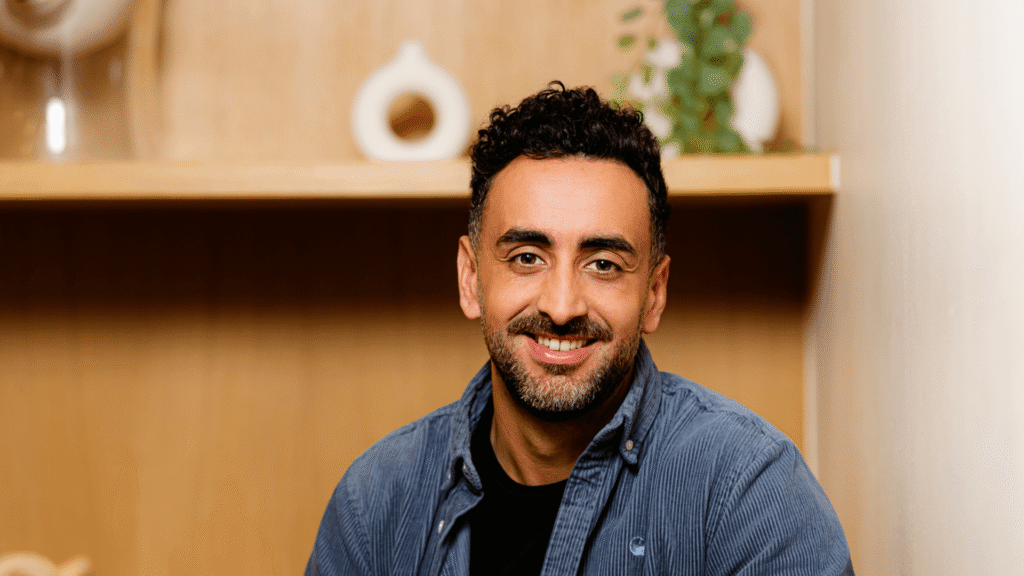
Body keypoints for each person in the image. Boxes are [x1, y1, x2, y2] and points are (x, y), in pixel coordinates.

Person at [304, 83, 854, 575]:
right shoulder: (375, 503)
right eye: (526, 257)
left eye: (603, 264)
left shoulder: (748, 492)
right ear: (470, 279)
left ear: (654, 293)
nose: (562, 306)